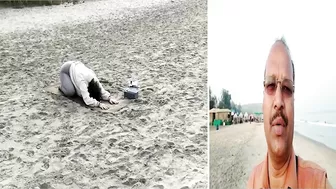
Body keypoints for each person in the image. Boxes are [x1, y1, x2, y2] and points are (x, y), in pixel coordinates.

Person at [247, 38, 332, 189]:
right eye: (271, 85)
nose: (278, 101)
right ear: (263, 101)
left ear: (294, 102)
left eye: (287, 88)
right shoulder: (253, 180)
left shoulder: (318, 182)